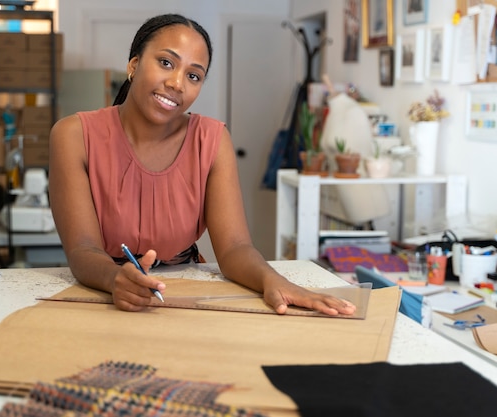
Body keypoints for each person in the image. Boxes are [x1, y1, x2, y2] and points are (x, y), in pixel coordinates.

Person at [48, 13, 356, 317]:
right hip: (101, 292)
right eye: (166, 63)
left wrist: (272, 280)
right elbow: (83, 250)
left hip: (181, 296)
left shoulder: (212, 139)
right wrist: (115, 279)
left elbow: (234, 248)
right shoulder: (74, 135)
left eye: (193, 76)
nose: (177, 83)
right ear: (134, 65)